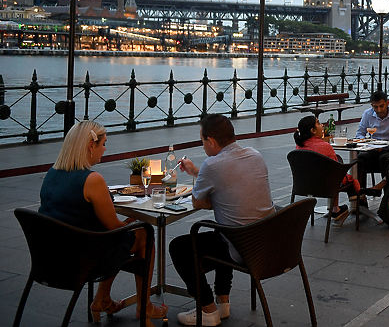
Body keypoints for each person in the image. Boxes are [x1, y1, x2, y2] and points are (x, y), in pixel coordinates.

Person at [39, 121, 166, 324]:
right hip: (84, 259)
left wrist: (124, 223)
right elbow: (113, 228)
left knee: (122, 235)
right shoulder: (92, 179)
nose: (105, 149)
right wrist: (130, 223)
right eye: (103, 144)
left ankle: (103, 299)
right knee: (144, 233)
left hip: (50, 257)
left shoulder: (51, 174)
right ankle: (144, 306)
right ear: (91, 145)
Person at [170, 114, 275, 326]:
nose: (202, 147)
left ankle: (208, 310)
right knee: (223, 229)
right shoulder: (255, 155)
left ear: (211, 141)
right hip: (268, 243)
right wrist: (196, 172)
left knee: (180, 247)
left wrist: (203, 178)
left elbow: (198, 203)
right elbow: (230, 184)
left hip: (242, 248)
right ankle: (223, 302)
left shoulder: (213, 165)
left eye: (202, 142)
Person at [294, 115, 360, 222]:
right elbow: (336, 171)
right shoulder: (325, 146)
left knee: (335, 163)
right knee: (343, 170)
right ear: (313, 131)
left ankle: (336, 208)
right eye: (319, 123)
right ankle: (349, 198)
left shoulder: (299, 147)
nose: (322, 126)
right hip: (327, 185)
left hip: (304, 185)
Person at [354, 90, 389, 188]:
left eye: (381, 106)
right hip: (372, 148)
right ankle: (360, 193)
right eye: (375, 107)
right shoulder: (368, 114)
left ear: (387, 103)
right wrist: (368, 144)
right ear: (372, 105)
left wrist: (388, 145)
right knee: (361, 158)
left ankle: (387, 194)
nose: (379, 110)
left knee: (385, 159)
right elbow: (360, 134)